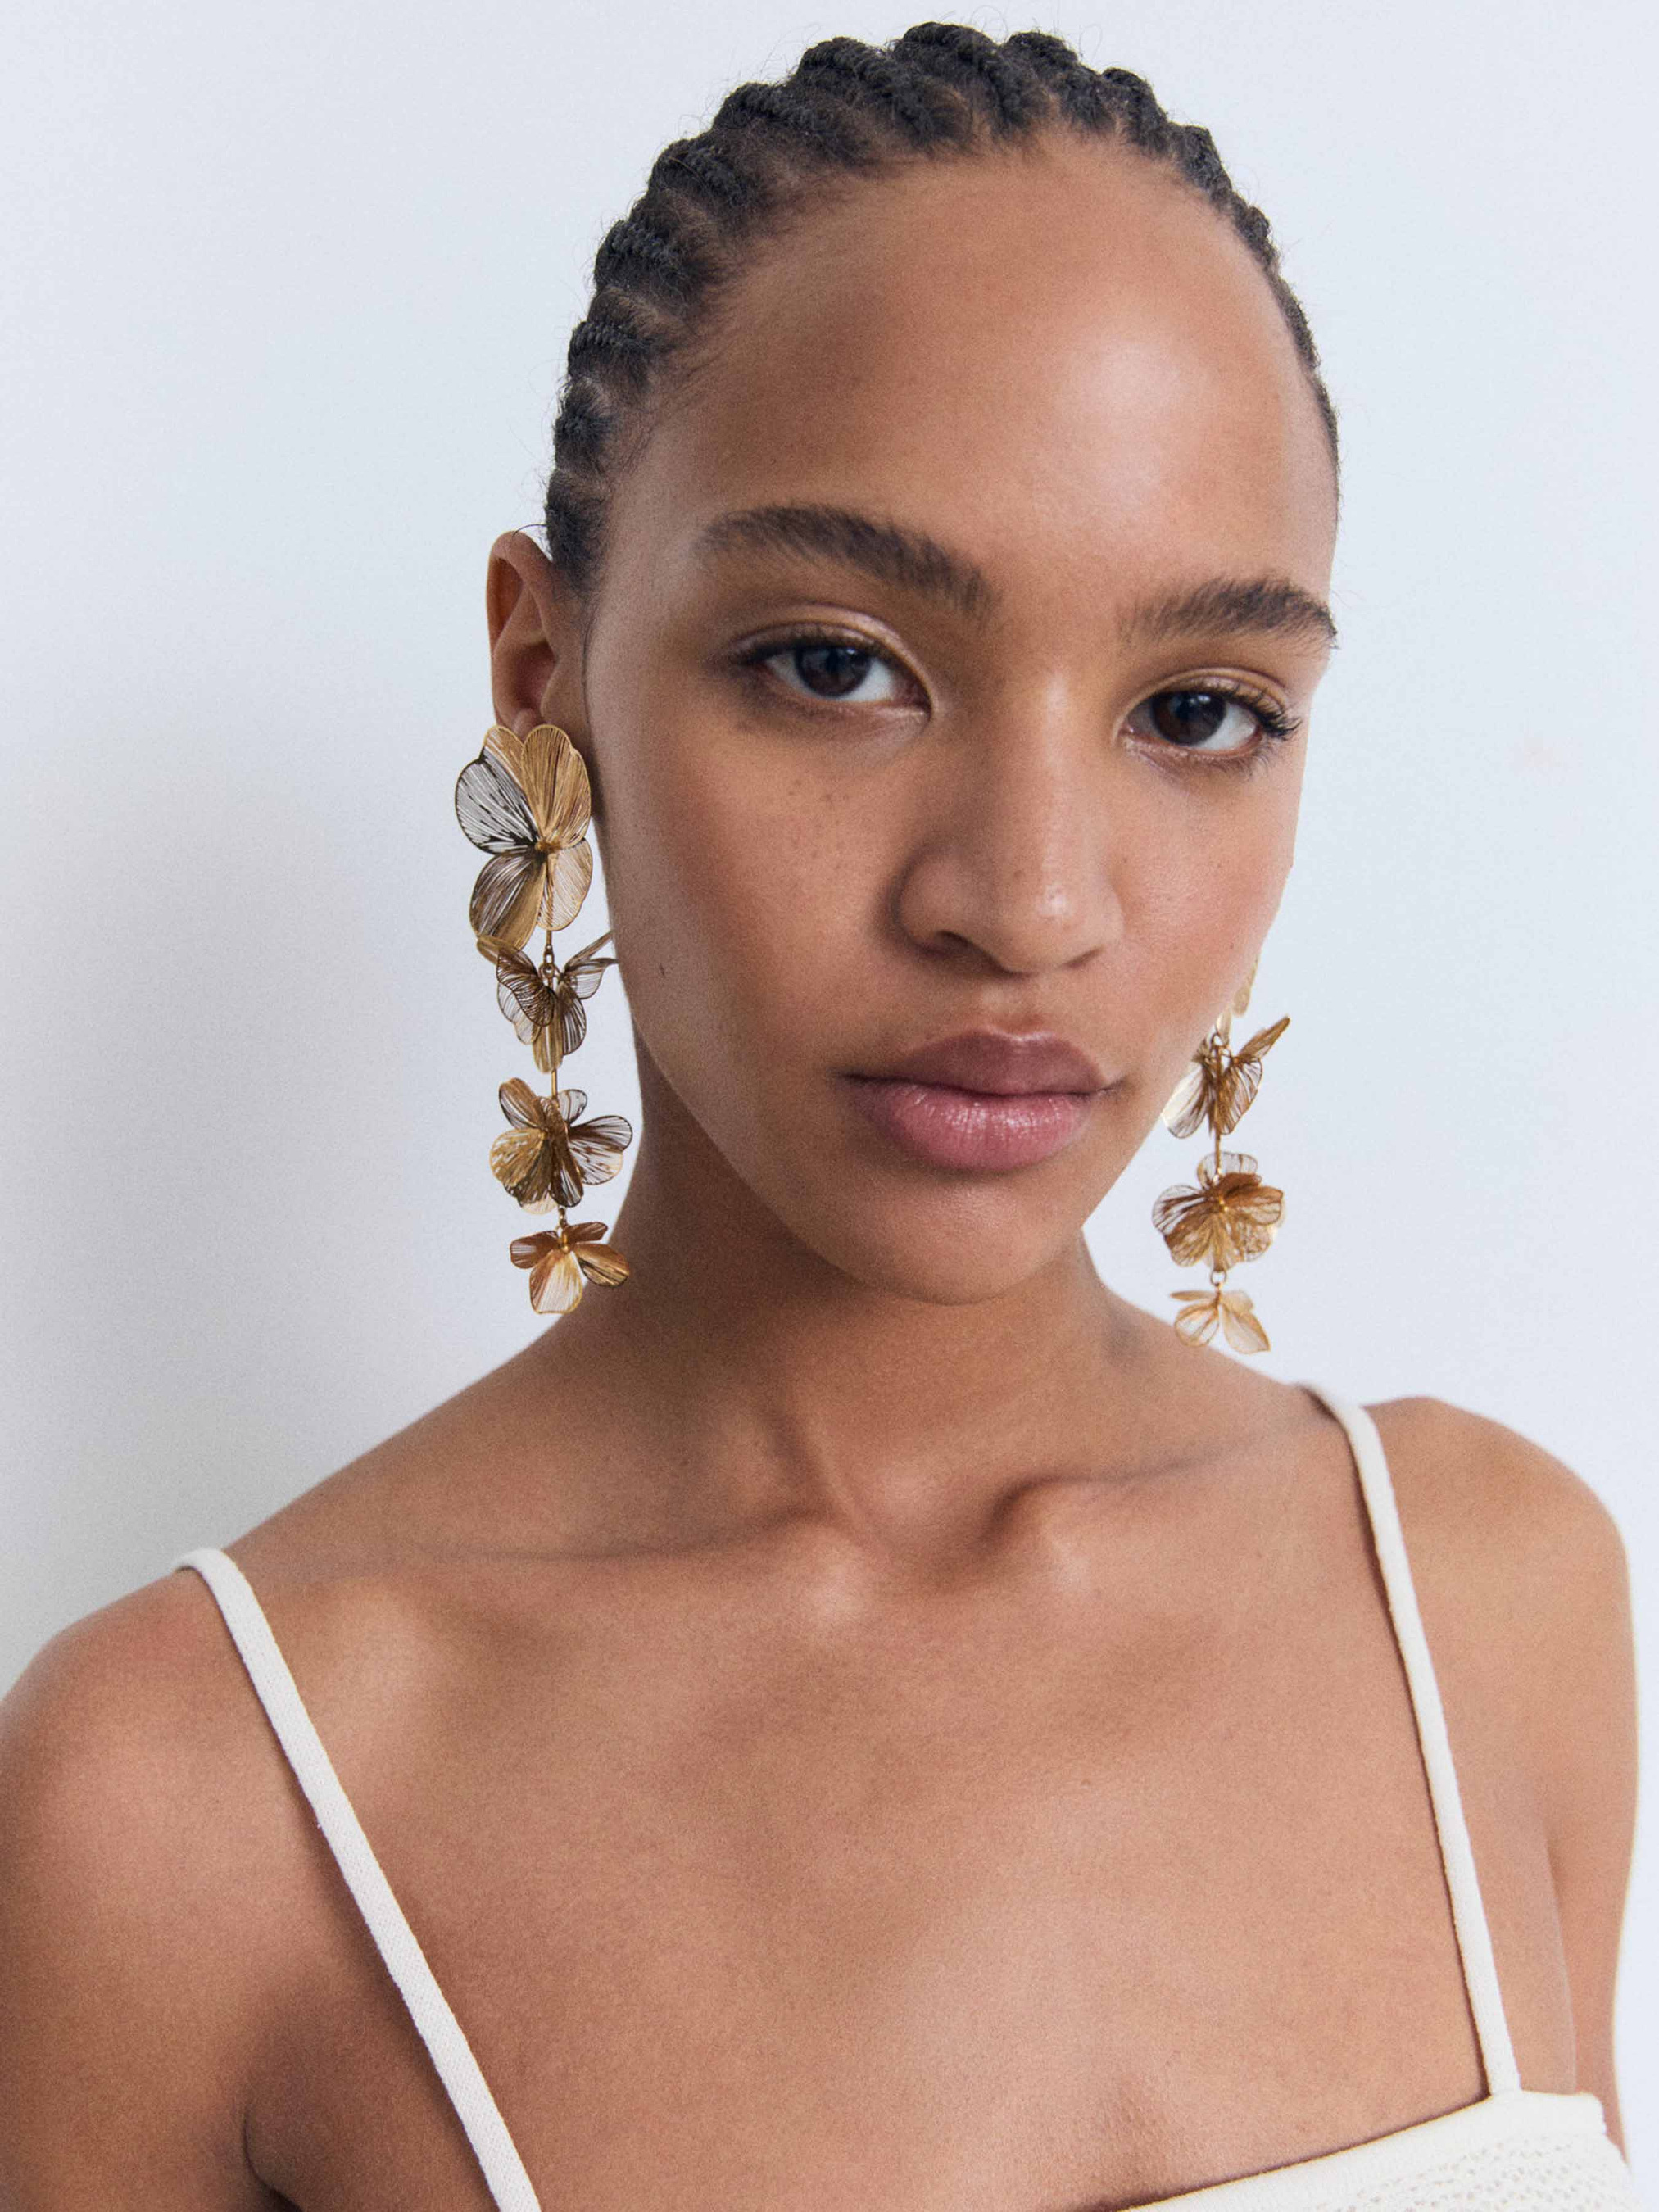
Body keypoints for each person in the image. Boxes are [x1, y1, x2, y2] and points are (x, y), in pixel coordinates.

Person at [0, 22, 1640, 2209]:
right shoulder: (189, 1803)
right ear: (543, 679)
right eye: (836, 665)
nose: (1027, 903)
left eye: (1195, 709)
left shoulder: (1488, 1597)